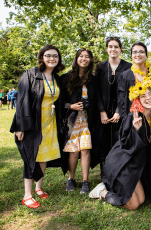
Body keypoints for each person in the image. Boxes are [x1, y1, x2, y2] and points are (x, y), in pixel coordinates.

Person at [89, 79, 151, 210]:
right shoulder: (132, 118)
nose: (148, 98)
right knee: (133, 205)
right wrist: (136, 131)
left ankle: (110, 187)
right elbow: (126, 146)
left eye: (150, 94)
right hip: (123, 165)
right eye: (143, 95)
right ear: (137, 100)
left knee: (141, 200)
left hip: (136, 166)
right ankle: (102, 192)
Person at [10, 44, 66, 209]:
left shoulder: (56, 78)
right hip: (32, 124)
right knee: (31, 157)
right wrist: (19, 126)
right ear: (42, 57)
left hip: (50, 123)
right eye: (48, 55)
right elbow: (21, 102)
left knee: (44, 155)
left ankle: (38, 187)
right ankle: (27, 195)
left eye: (55, 56)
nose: (52, 58)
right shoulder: (30, 75)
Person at [117, 42, 151, 198]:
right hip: (135, 118)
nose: (138, 54)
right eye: (135, 52)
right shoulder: (125, 75)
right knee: (137, 149)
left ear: (146, 55)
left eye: (141, 51)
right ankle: (137, 181)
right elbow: (121, 100)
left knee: (150, 148)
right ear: (131, 55)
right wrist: (125, 120)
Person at [59, 48, 97, 194]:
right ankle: (71, 178)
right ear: (76, 59)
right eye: (81, 56)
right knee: (73, 151)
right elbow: (59, 102)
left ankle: (86, 181)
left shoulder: (93, 79)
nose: (84, 58)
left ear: (90, 60)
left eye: (87, 56)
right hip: (72, 120)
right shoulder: (65, 78)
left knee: (85, 150)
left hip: (87, 120)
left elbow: (97, 99)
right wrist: (71, 106)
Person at [92, 37, 132, 175]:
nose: (113, 49)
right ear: (107, 49)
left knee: (118, 141)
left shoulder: (128, 67)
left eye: (116, 46)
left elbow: (128, 91)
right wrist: (102, 111)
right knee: (103, 142)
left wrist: (118, 111)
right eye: (110, 46)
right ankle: (105, 174)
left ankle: (118, 172)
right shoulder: (100, 67)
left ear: (120, 49)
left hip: (121, 110)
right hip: (103, 110)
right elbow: (96, 90)